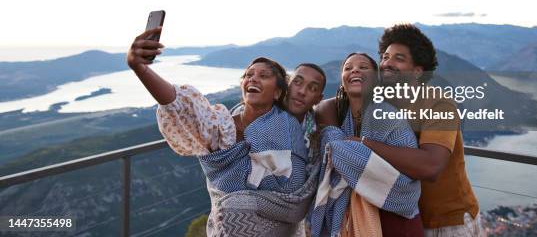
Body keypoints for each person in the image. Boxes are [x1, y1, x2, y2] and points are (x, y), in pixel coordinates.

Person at [127, 27, 313, 236]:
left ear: (278, 92)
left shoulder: (287, 127)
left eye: (264, 76)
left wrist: (246, 198)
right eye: (248, 75)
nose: (253, 79)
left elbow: (294, 189)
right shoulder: (222, 125)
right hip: (228, 227)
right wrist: (140, 69)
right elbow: (182, 106)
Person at [317, 24, 484, 237]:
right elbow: (331, 104)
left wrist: (365, 143)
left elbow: (430, 166)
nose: (387, 63)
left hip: (448, 220)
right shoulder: (381, 99)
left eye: (399, 58)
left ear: (418, 71)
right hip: (404, 218)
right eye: (385, 57)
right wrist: (333, 133)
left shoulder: (439, 104)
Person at [310, 53, 423, 237]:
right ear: (343, 80)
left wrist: (345, 150)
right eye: (348, 68)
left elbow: (407, 177)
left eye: (363, 67)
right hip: (349, 219)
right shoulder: (339, 118)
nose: (354, 69)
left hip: (395, 219)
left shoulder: (389, 117)